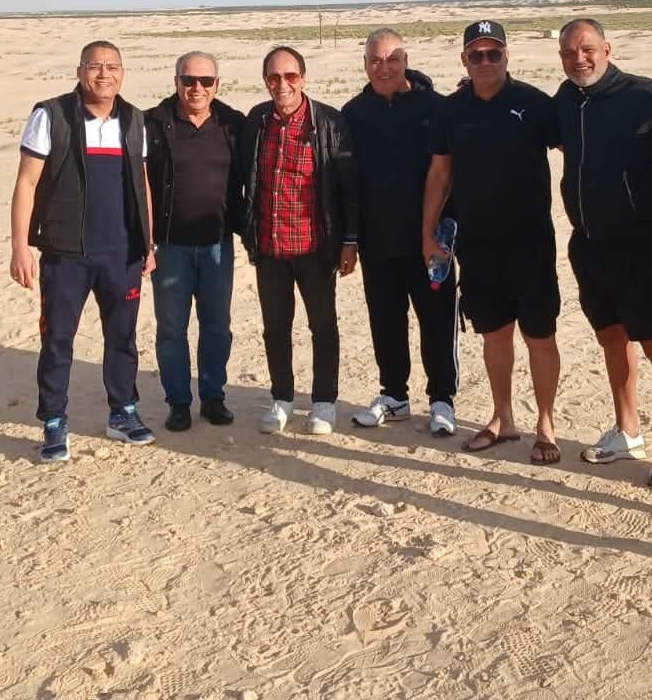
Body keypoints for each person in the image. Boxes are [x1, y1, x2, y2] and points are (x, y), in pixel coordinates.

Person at [554, 18, 652, 487]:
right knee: (612, 337)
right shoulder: (565, 99)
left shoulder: (646, 95)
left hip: (646, 244)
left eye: (587, 49)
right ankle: (627, 430)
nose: (579, 59)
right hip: (590, 244)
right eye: (569, 52)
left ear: (607, 48)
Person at [422, 20, 564, 464]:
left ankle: (546, 424)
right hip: (478, 243)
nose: (485, 61)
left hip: (531, 242)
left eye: (494, 53)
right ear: (464, 59)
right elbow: (440, 173)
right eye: (476, 54)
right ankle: (503, 418)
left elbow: (579, 149)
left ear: (506, 56)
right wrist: (427, 234)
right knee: (494, 335)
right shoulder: (450, 110)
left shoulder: (534, 103)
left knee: (539, 335)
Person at [9, 40, 156, 462]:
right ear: (80, 72)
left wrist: (147, 242)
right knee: (57, 338)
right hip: (65, 252)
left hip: (122, 253)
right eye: (95, 66)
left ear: (122, 73)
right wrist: (20, 246)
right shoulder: (51, 116)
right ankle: (54, 420)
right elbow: (26, 183)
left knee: (123, 337)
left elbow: (142, 182)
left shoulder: (134, 120)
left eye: (112, 67)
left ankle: (123, 412)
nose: (104, 74)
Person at [235, 45, 359, 436]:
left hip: (315, 248)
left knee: (323, 326)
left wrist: (349, 241)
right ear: (265, 81)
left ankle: (324, 402)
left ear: (302, 78)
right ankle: (282, 399)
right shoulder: (257, 121)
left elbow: (347, 188)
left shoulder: (329, 122)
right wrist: (246, 232)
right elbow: (244, 179)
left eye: (290, 76)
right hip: (270, 247)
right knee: (275, 328)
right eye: (274, 77)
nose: (282, 85)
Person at [342, 29, 458, 436]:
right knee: (386, 321)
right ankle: (394, 396)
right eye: (375, 60)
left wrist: (445, 233)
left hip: (432, 243)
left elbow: (449, 173)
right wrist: (350, 240)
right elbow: (347, 182)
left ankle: (442, 400)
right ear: (365, 65)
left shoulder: (437, 107)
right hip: (378, 242)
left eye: (392, 59)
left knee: (438, 321)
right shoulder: (353, 113)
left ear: (406, 61)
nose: (384, 67)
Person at [144, 52, 244, 432]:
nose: (196, 88)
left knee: (217, 325)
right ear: (176, 82)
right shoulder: (153, 123)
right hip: (170, 247)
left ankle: (213, 397)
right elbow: (139, 183)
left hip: (218, 244)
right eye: (188, 80)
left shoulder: (233, 123)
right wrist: (144, 241)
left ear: (217, 85)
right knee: (172, 328)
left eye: (205, 81)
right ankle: (179, 402)